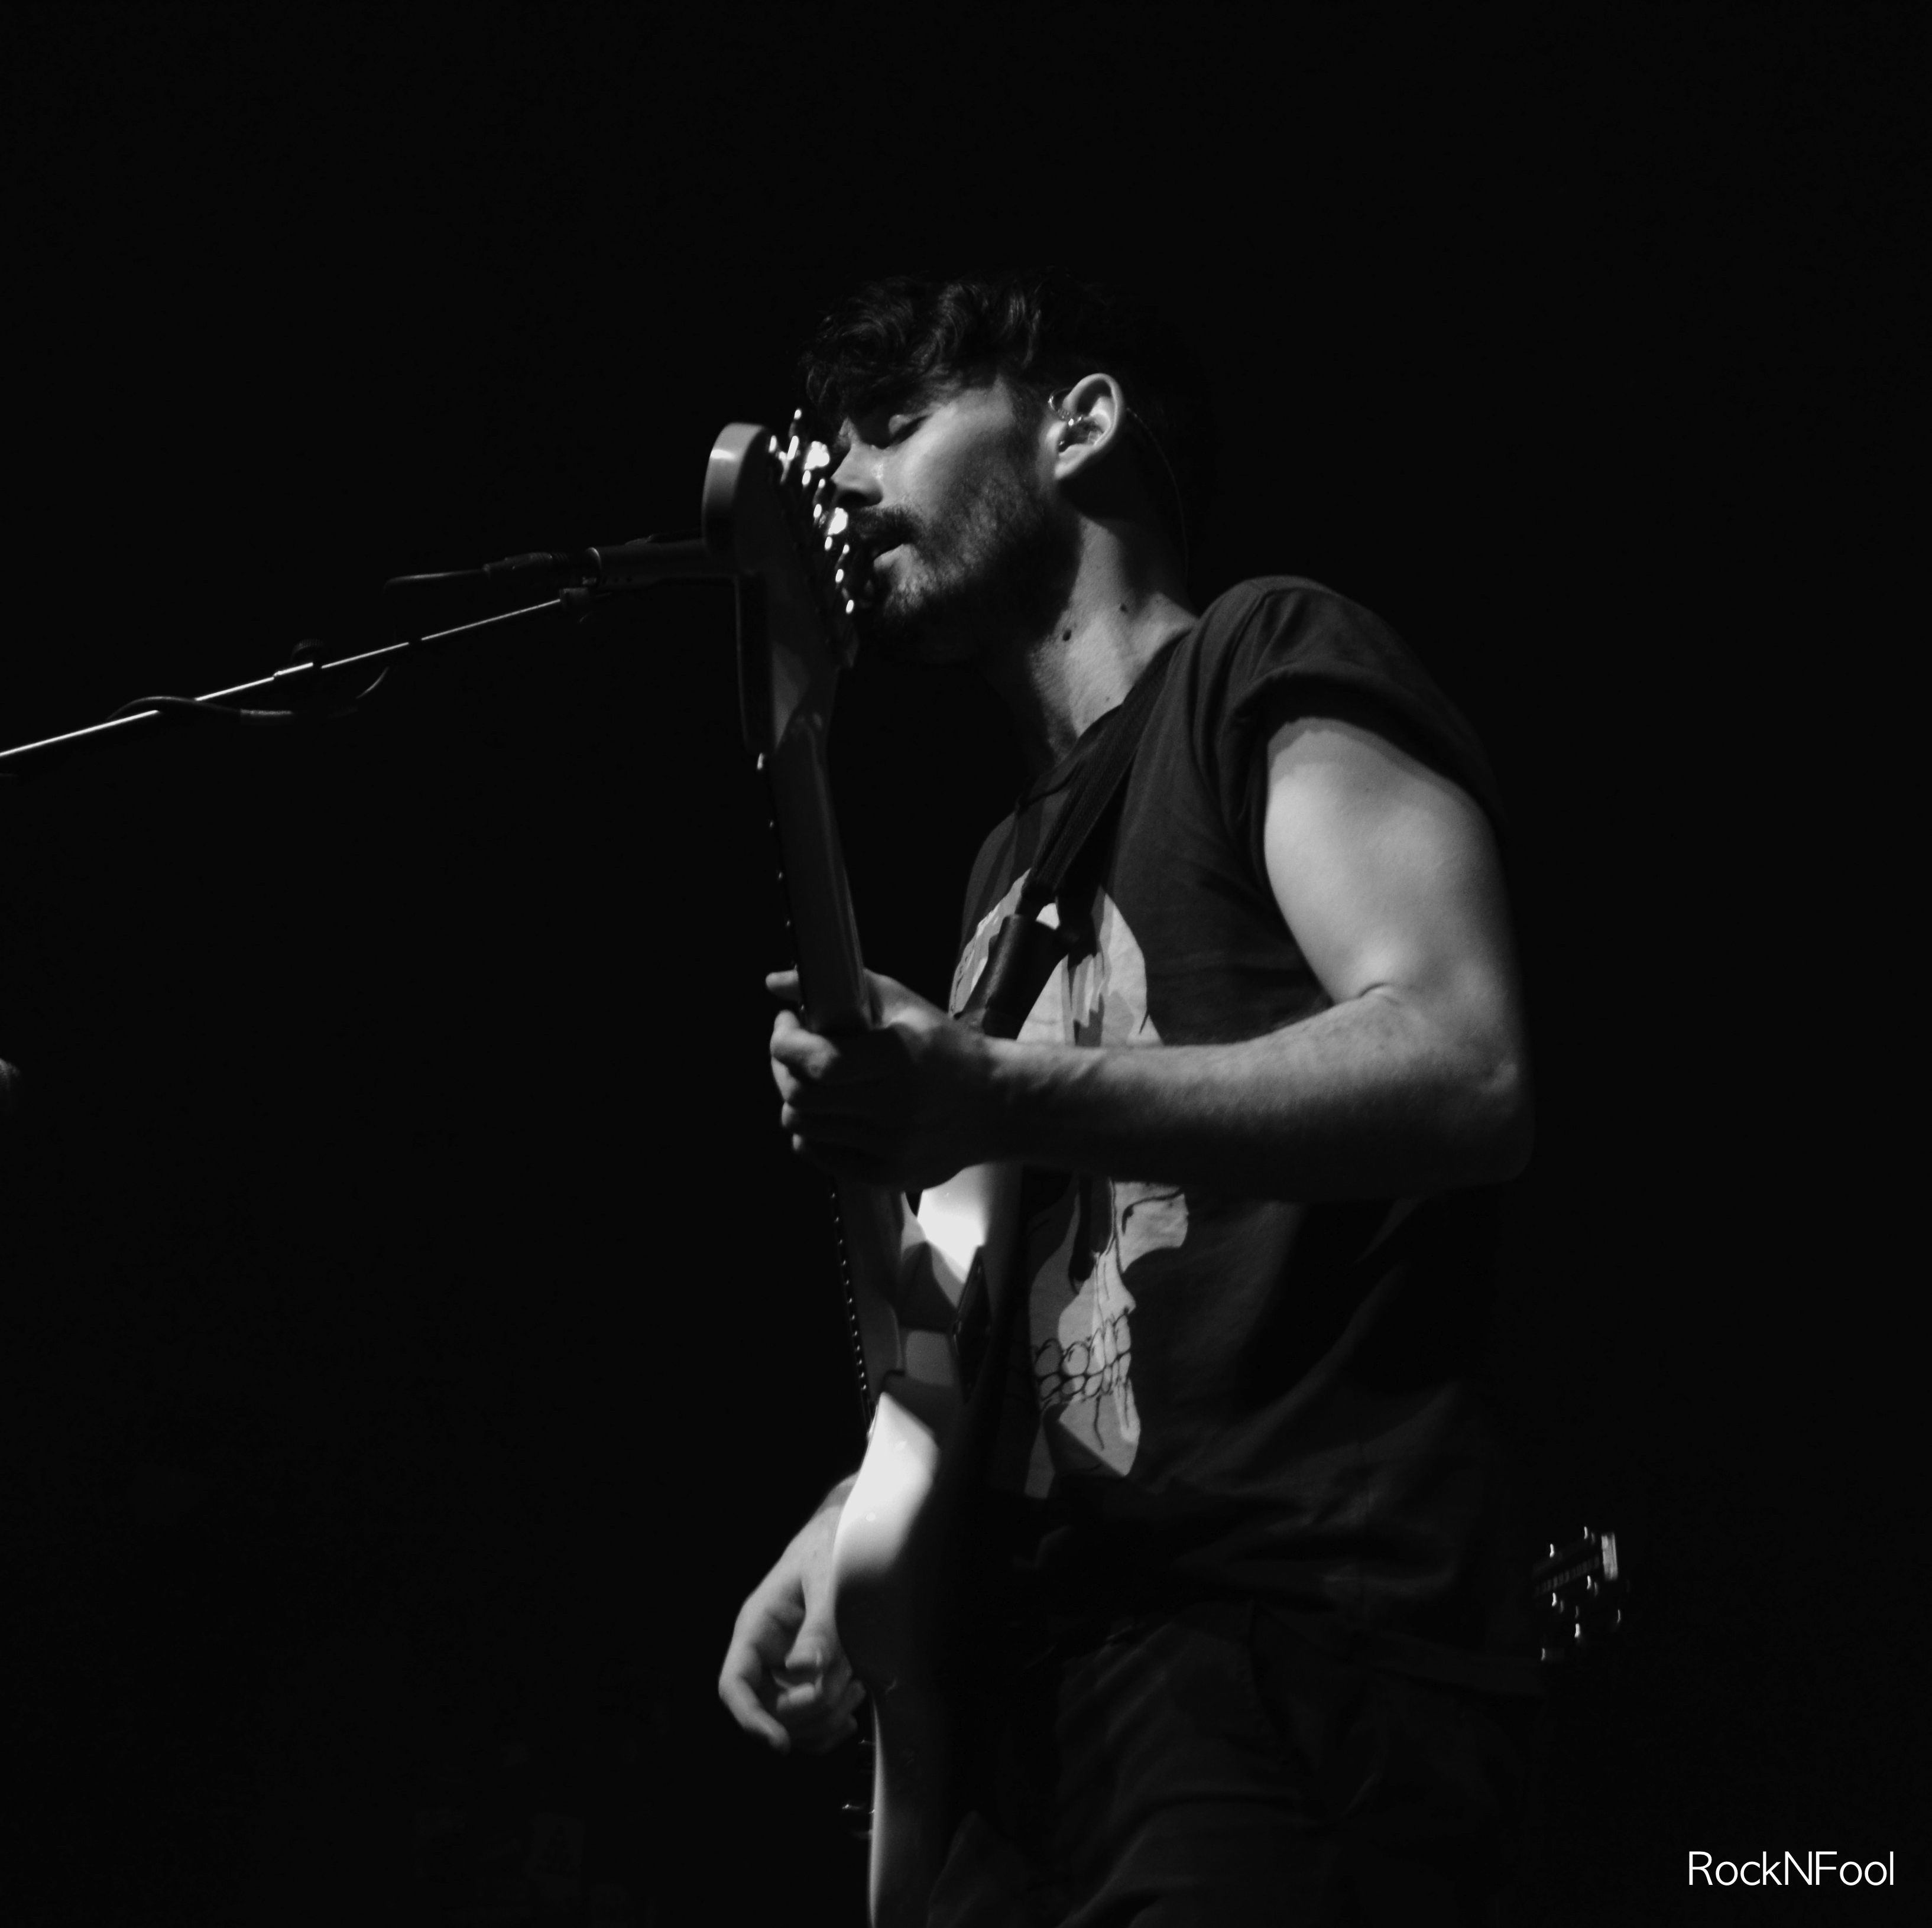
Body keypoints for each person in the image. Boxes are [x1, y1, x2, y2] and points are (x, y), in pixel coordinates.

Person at [719, 270, 1541, 1925]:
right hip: (1032, 1721)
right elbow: (1012, 1293)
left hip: (1275, 1647)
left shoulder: (1261, 656)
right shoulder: (1000, 878)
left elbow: (1463, 1063)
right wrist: (865, 1513)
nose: (847, 482)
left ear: (1079, 423)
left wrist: (998, 1085)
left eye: (895, 424)